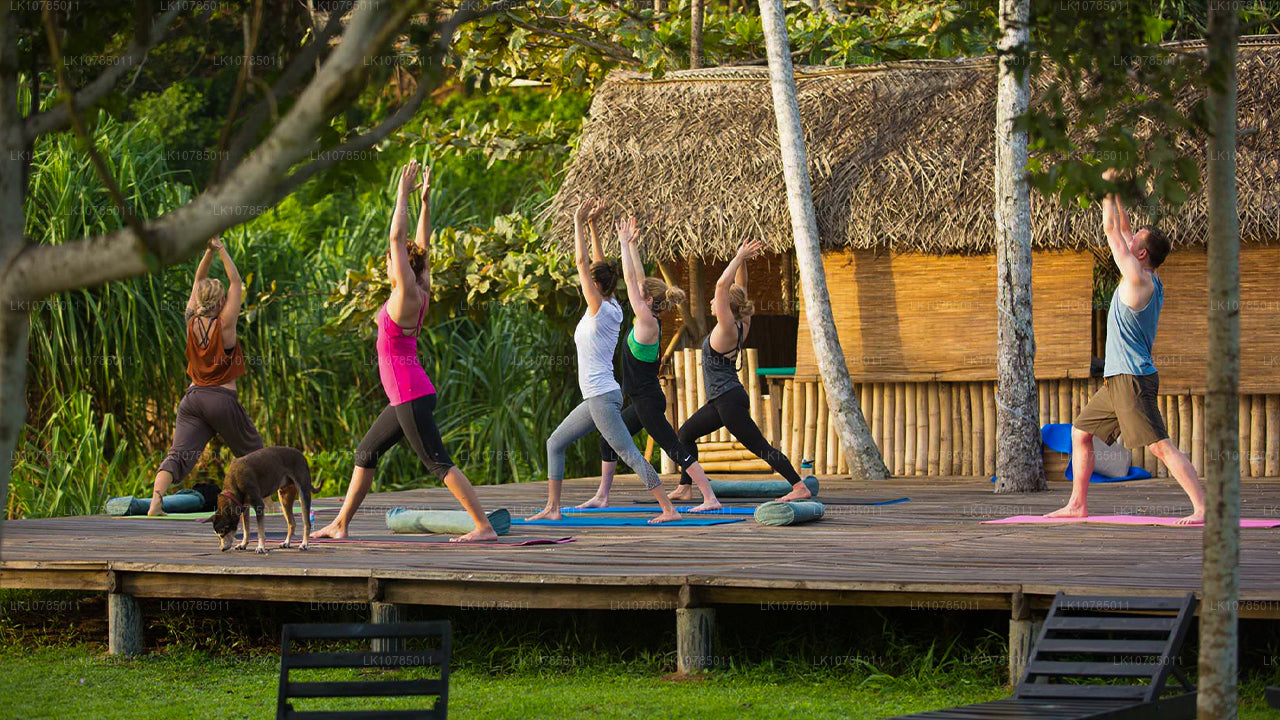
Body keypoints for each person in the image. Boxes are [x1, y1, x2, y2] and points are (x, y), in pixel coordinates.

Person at [312, 161, 497, 542]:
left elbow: (399, 240)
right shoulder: (420, 289)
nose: (387, 262)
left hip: (410, 395)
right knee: (365, 453)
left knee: (437, 462)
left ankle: (483, 527)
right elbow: (421, 249)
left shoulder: (405, 295)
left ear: (401, 269)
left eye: (390, 261)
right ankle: (341, 524)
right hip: (408, 394)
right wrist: (425, 203)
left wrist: (402, 193)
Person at [1045, 167, 1206, 525]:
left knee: (1158, 446)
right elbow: (1125, 229)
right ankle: (1077, 504)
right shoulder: (1148, 275)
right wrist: (1118, 191)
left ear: (1142, 255)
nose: (1130, 241)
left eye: (1137, 242)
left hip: (1133, 380)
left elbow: (1111, 230)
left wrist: (1105, 187)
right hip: (1117, 379)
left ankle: (1202, 508)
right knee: (1080, 433)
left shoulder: (1136, 279)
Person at [526, 199, 681, 523]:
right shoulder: (610, 307)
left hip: (601, 395)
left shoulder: (599, 309)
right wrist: (594, 227)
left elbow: (583, 263)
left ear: (595, 287)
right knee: (555, 442)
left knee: (629, 453)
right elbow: (596, 266)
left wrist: (577, 220)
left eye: (590, 282)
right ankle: (553, 508)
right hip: (598, 395)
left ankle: (668, 509)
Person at [576, 213, 722, 513]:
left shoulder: (647, 322)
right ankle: (602, 495)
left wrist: (622, 243)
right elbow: (638, 280)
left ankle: (710, 497)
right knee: (608, 441)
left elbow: (632, 281)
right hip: (641, 400)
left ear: (650, 303)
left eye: (642, 297)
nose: (636, 296)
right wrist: (630, 246)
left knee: (674, 447)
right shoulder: (647, 315)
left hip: (648, 400)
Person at [668, 239, 810, 504]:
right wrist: (743, 258)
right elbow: (739, 288)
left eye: (716, 300)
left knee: (760, 448)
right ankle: (685, 486)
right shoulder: (742, 322)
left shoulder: (726, 328)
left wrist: (736, 258)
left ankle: (798, 485)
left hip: (729, 401)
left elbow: (723, 286)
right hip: (722, 400)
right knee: (685, 433)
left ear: (726, 308)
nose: (712, 301)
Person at [148, 236, 264, 516]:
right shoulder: (225, 325)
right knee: (255, 453)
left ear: (199, 299)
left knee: (177, 456)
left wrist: (207, 253)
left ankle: (155, 503)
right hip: (221, 399)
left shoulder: (190, 320)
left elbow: (198, 280)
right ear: (222, 300)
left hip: (193, 399)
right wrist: (222, 250)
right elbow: (236, 283)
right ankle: (268, 503)